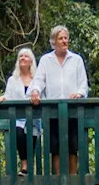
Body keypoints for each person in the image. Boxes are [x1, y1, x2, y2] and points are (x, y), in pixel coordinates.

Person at [29, 24, 88, 174]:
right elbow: (38, 80)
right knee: (55, 147)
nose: (64, 41)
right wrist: (35, 91)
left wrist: (79, 94)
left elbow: (83, 84)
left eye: (66, 38)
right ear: (53, 42)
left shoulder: (77, 60)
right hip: (52, 111)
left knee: (72, 147)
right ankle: (58, 182)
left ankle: (73, 181)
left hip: (72, 109)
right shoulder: (45, 60)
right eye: (60, 38)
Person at [0, 46, 40, 174]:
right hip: (17, 117)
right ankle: (24, 165)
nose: (23, 58)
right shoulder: (12, 79)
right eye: (21, 56)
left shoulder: (37, 79)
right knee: (19, 133)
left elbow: (42, 94)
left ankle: (29, 167)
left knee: (31, 136)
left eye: (26, 56)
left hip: (33, 116)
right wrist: (3, 98)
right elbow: (8, 96)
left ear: (31, 61)